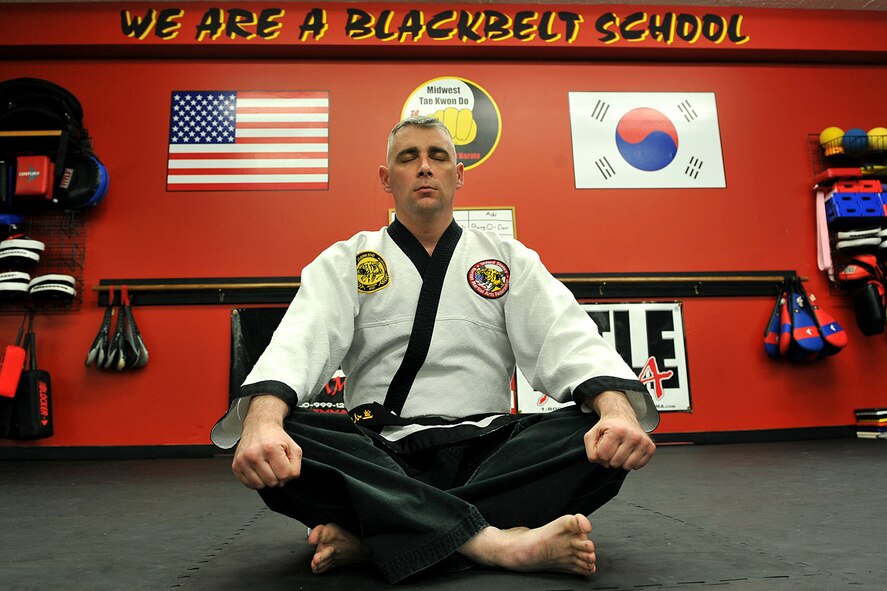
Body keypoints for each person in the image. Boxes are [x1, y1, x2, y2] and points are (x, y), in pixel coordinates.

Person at [211, 115, 659, 584]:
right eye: (408, 158)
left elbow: (569, 339)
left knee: (596, 435)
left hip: (487, 451)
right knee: (286, 436)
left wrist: (616, 412)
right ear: (387, 179)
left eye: (438, 156)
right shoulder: (346, 260)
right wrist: (262, 423)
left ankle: (379, 537)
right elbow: (297, 342)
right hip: (379, 452)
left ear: (458, 174)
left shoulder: (508, 259)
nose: (424, 167)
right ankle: (497, 542)